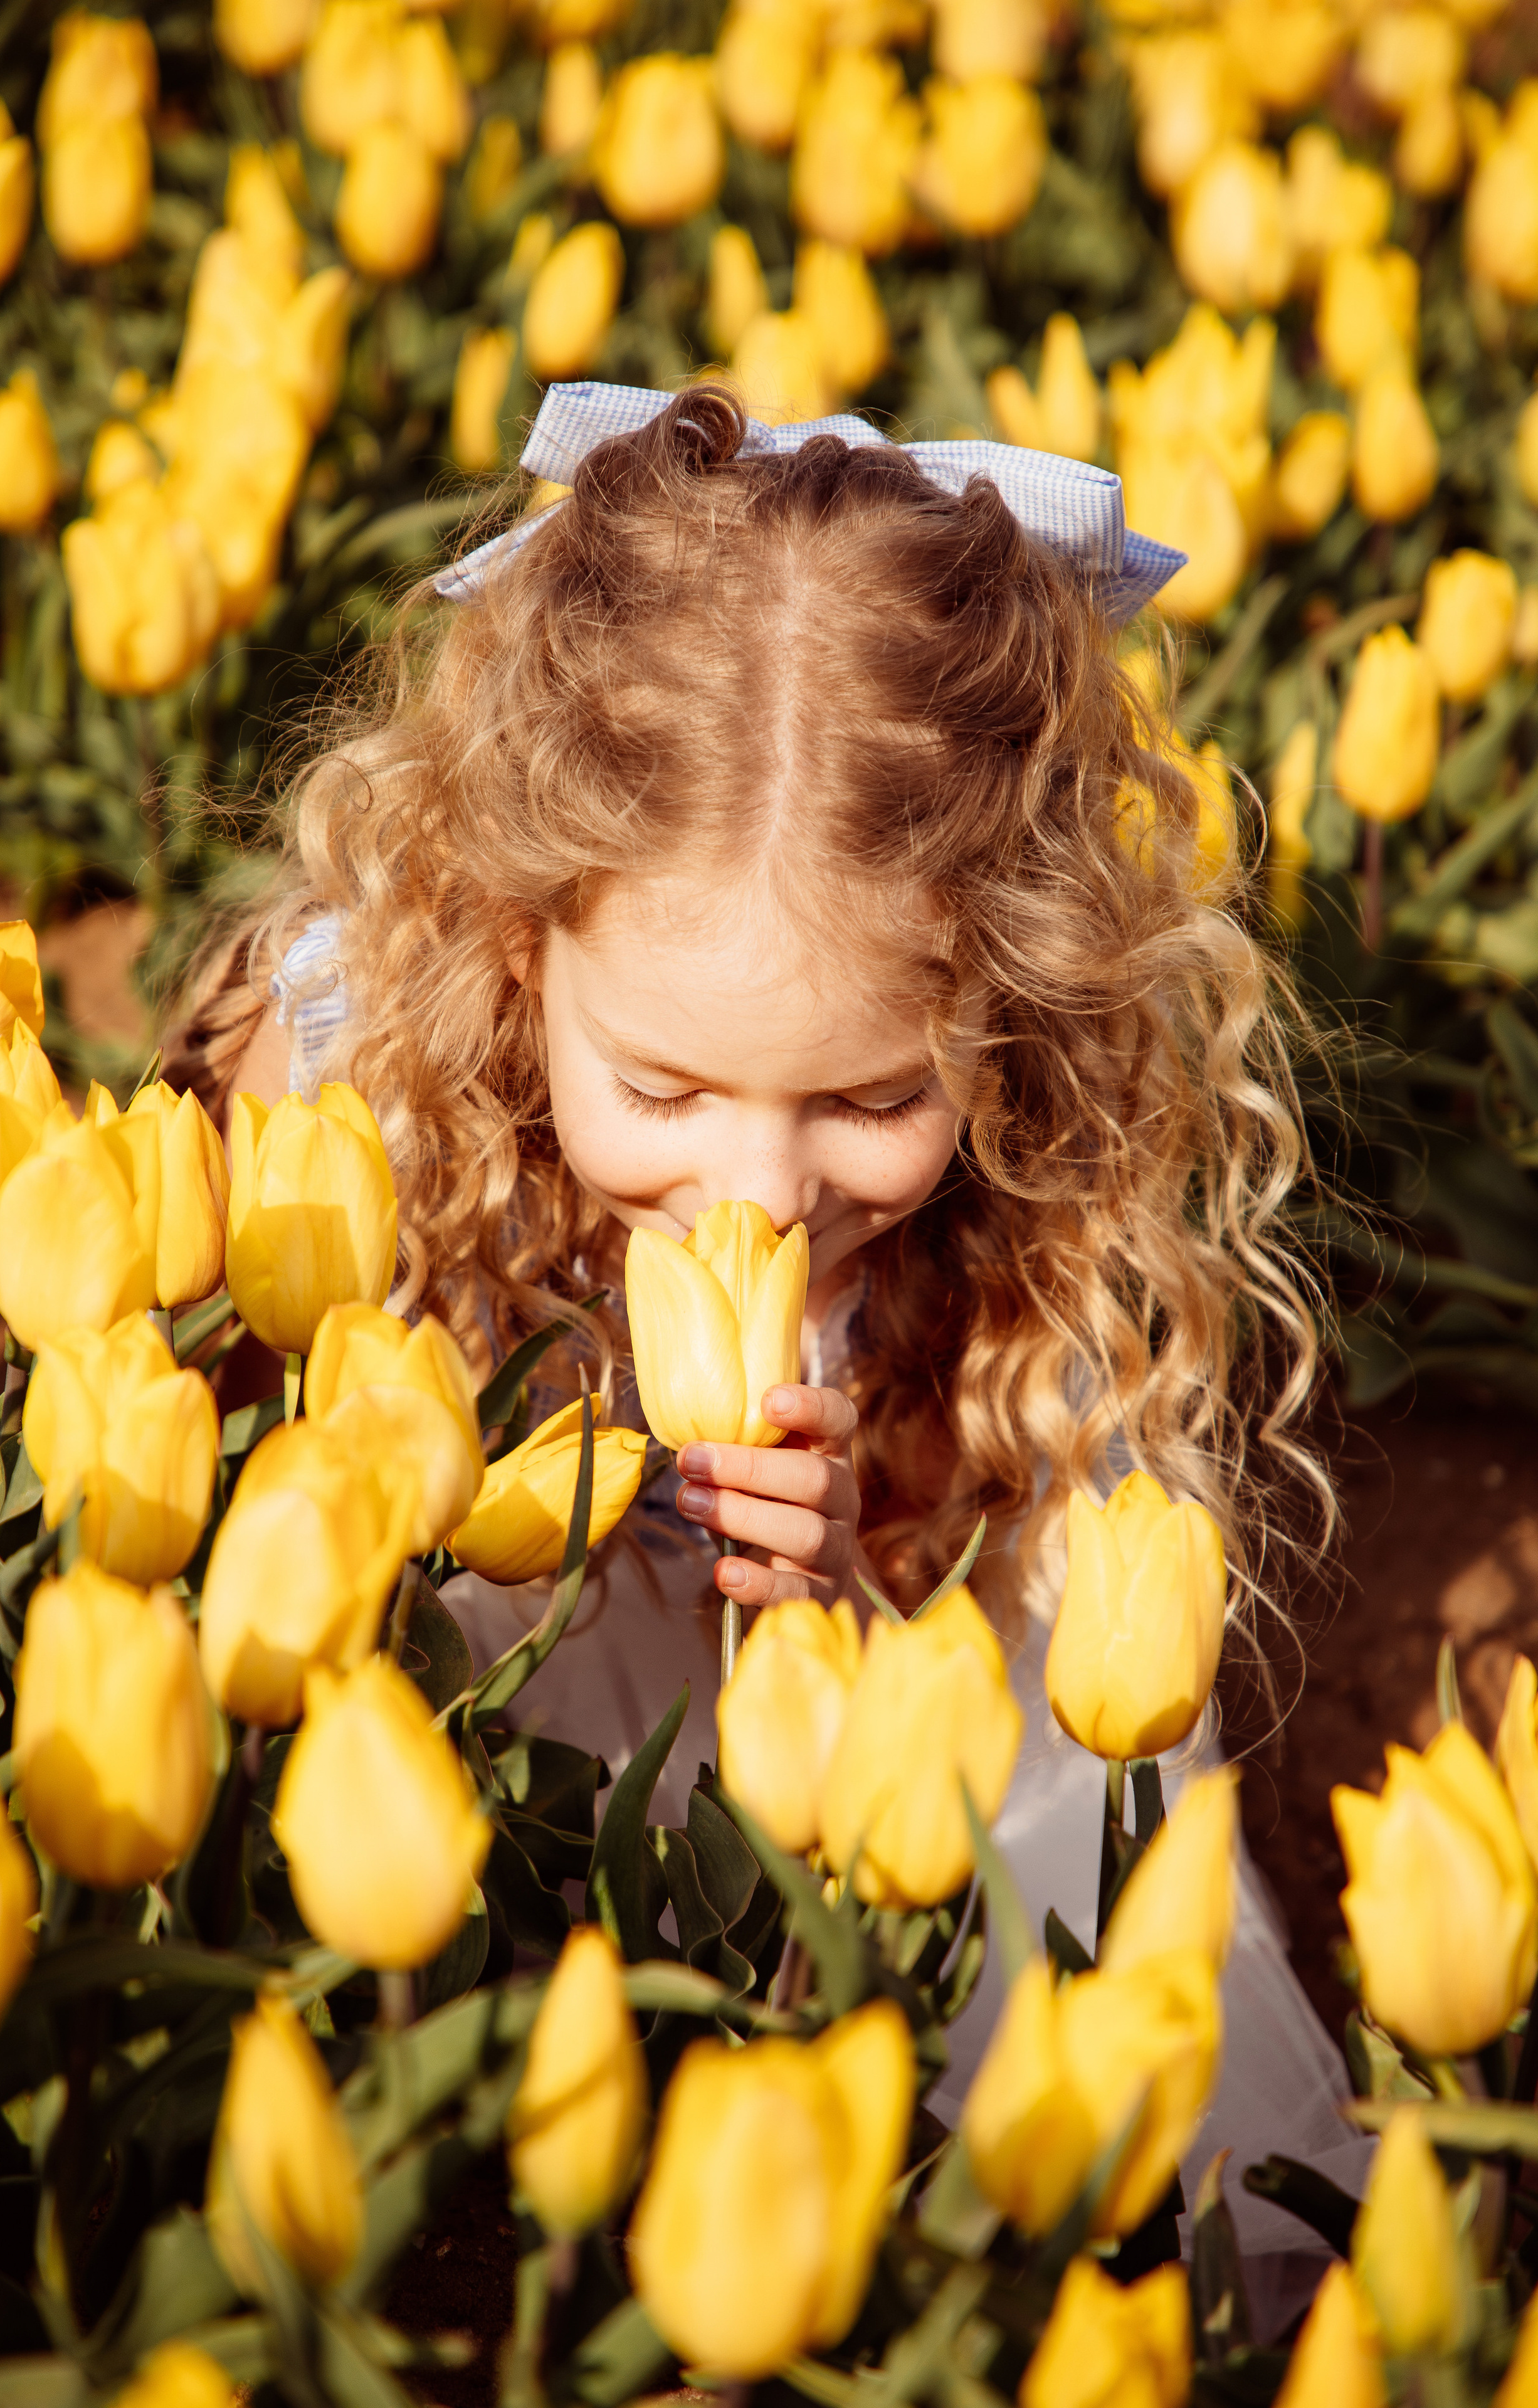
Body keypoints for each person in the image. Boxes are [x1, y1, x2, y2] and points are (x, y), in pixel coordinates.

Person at [167, 380, 1369, 2320]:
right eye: (661, 1086)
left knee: (1058, 1850)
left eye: (877, 1095)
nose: (761, 1190)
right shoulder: (355, 1104)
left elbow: (968, 1679)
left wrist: (830, 1595)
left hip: (837, 1697)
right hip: (466, 1680)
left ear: (1004, 1011)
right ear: (511, 949)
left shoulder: (1008, 1231)